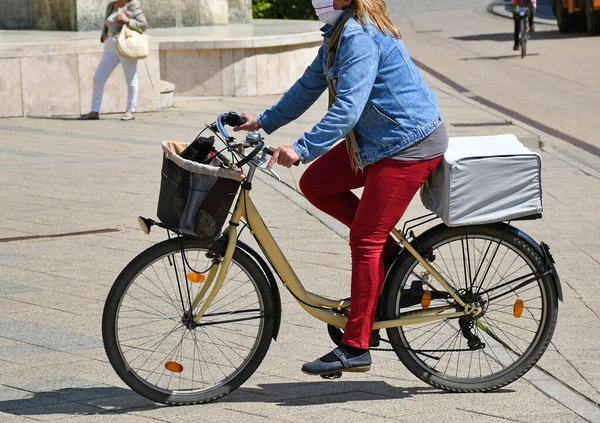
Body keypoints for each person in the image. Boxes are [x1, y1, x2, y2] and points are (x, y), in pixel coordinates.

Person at [234, 0, 448, 376]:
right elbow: (308, 86)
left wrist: (300, 149)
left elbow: (348, 107)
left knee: (365, 239)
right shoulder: (338, 32)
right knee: (317, 184)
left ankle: (356, 347)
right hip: (378, 142)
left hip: (407, 144)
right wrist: (263, 122)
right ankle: (395, 268)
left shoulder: (357, 35)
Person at [79, 0, 147, 121]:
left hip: (125, 45)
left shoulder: (133, 5)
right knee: (98, 77)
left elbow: (143, 25)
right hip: (110, 47)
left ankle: (130, 110)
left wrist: (127, 21)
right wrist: (104, 35)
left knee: (131, 79)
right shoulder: (111, 5)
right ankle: (94, 111)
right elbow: (107, 24)